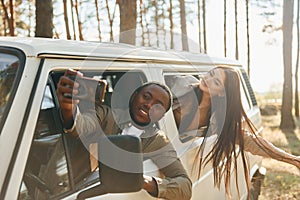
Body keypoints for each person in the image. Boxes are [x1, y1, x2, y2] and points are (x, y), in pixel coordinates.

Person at [56, 69, 192, 200]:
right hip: (72, 185)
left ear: (162, 116)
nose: (149, 105)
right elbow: (81, 126)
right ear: (134, 97)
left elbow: (185, 187)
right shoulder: (107, 115)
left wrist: (142, 181)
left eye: (158, 106)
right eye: (146, 97)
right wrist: (69, 107)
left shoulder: (157, 141)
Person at [169, 66, 300, 199]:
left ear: (221, 93)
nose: (207, 80)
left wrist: (292, 159)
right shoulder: (182, 85)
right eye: (211, 74)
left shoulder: (218, 118)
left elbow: (250, 141)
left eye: (216, 82)